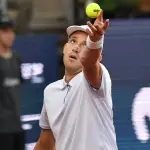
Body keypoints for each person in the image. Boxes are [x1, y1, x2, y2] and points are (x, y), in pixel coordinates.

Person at [34, 11, 118, 150]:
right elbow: (46, 143)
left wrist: (95, 42)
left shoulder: (95, 79)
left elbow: (89, 62)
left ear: (98, 58)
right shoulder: (50, 91)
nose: (77, 48)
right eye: (73, 41)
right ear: (65, 48)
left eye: (85, 44)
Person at [0, 15, 25, 150]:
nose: (10, 35)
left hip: (17, 126)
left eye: (11, 31)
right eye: (5, 31)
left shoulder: (17, 58)